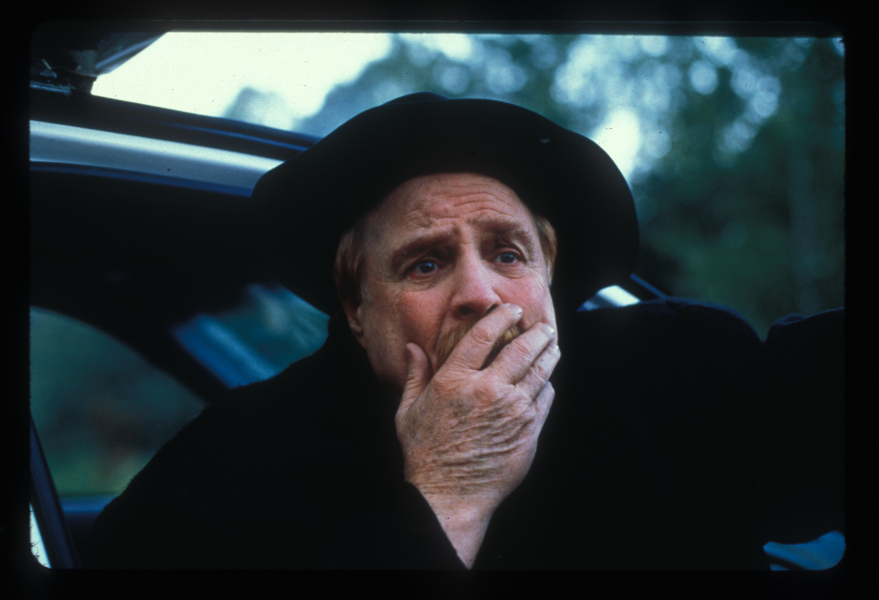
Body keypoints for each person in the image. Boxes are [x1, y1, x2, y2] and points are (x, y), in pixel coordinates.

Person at [85, 93, 844, 569]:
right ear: (357, 309)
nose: (480, 295)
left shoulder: (676, 368)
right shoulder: (225, 473)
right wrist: (448, 492)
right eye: (425, 263)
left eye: (508, 254)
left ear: (548, 278)